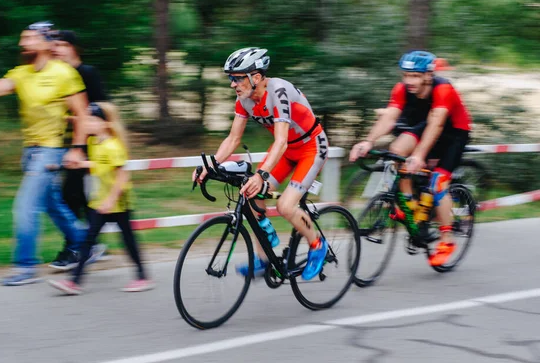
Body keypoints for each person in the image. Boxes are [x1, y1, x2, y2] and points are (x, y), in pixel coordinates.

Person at [193, 47, 329, 281]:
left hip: (311, 147)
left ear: (255, 77)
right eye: (230, 79)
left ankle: (317, 245)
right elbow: (233, 138)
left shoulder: (279, 91)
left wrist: (261, 175)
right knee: (250, 195)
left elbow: (281, 140)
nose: (232, 85)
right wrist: (210, 165)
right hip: (285, 151)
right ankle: (263, 257)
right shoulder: (243, 99)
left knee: (286, 206)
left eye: (236, 78)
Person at [0, 21, 88, 285]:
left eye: (29, 38)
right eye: (22, 38)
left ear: (48, 43)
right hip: (30, 152)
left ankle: (25, 267)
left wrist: (77, 149)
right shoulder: (21, 73)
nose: (22, 43)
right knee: (53, 205)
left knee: (25, 206)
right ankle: (85, 242)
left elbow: (82, 114)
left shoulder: (64, 73)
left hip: (50, 152)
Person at [349, 51, 472, 266]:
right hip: (425, 126)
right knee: (396, 150)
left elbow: (437, 123)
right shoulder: (401, 89)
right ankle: (410, 205)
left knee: (437, 183)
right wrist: (368, 141)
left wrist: (419, 155)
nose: (409, 81)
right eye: (406, 75)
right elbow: (390, 116)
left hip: (453, 133)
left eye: (415, 76)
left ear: (428, 75)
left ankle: (446, 239)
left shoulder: (443, 89)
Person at [48, 102, 154, 294]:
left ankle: (142, 277)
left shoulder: (114, 146)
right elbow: (99, 163)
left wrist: (111, 200)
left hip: (118, 202)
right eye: (86, 119)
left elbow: (122, 175)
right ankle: (74, 282)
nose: (86, 123)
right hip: (100, 202)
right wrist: (79, 164)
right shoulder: (93, 142)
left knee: (128, 240)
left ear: (105, 123)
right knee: (88, 241)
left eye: (92, 119)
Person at [49, 30, 109, 270]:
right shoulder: (58, 76)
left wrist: (78, 118)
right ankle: (91, 244)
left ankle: (76, 249)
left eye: (62, 45)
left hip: (91, 146)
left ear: (74, 47)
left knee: (69, 195)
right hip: (72, 144)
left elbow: (103, 108)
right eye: (55, 45)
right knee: (81, 198)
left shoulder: (87, 73)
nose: (57, 49)